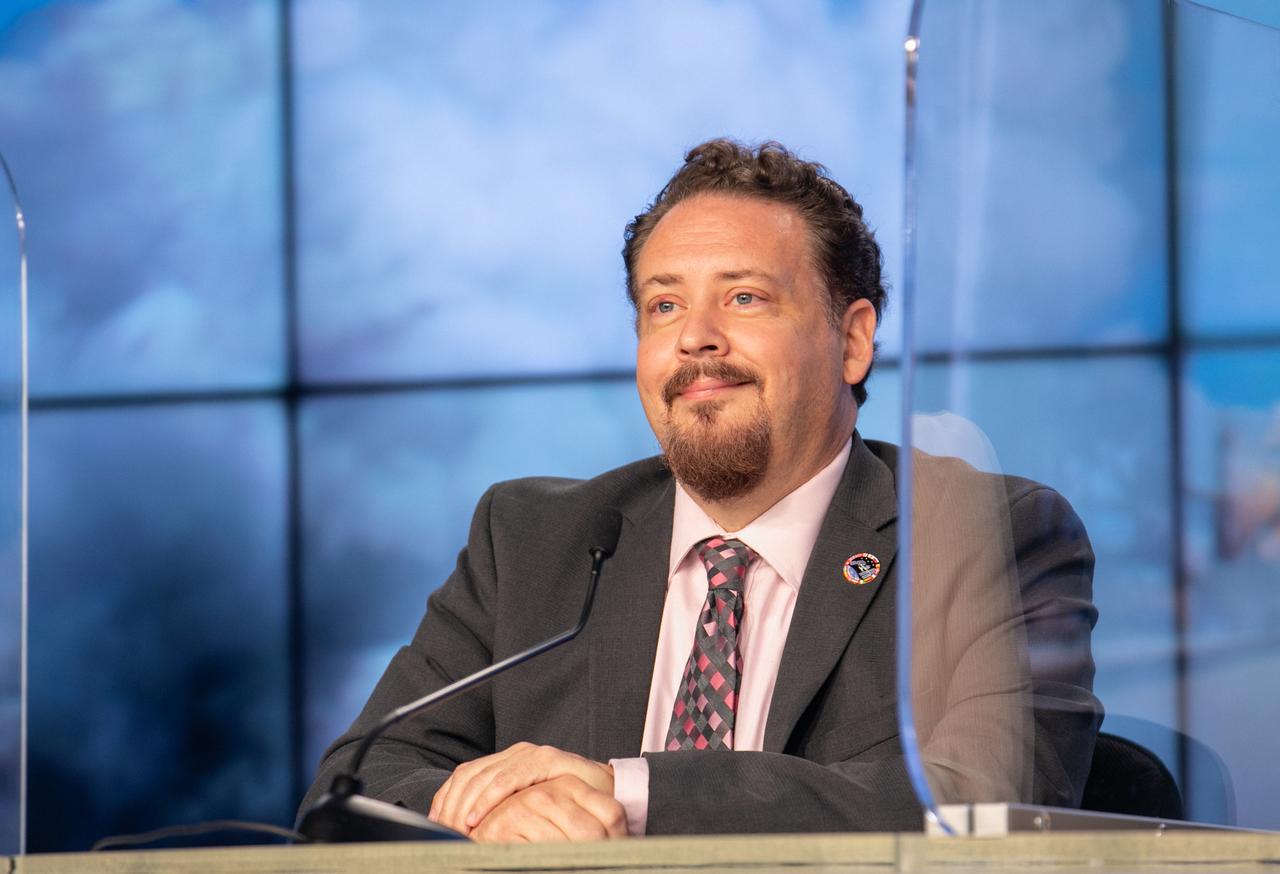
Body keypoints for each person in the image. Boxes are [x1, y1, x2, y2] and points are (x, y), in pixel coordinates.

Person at [301, 138, 1101, 841]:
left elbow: (986, 801)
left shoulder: (987, 533)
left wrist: (631, 792)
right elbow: (360, 783)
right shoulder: (529, 539)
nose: (695, 337)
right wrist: (492, 808)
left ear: (852, 340)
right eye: (664, 304)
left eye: (744, 297)